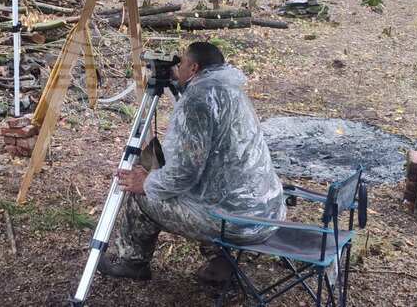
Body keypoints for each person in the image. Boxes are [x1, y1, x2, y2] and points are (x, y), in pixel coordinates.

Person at [98, 41, 286, 284]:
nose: (179, 67)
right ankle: (220, 261)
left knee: (140, 194)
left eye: (183, 63)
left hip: (235, 223)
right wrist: (179, 80)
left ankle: (132, 262)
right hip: (265, 212)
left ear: (194, 68)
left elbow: (183, 174)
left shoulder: (197, 101)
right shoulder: (230, 90)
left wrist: (146, 183)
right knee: (202, 189)